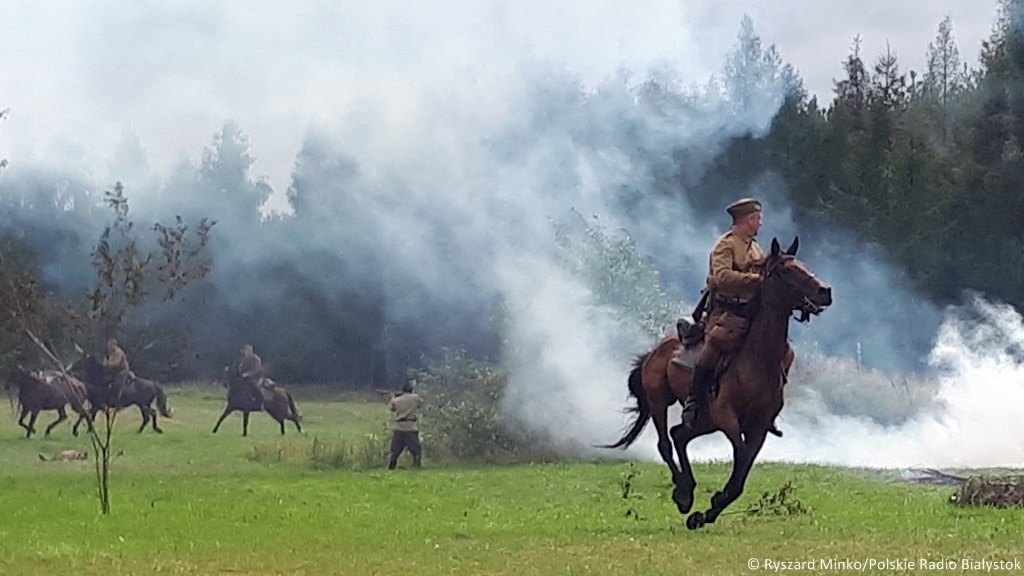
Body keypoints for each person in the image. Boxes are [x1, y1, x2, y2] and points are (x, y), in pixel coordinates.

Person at [673, 198, 775, 432]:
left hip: (748, 312)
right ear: (748, 220)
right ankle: (693, 401)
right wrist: (757, 280)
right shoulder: (725, 245)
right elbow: (722, 277)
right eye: (757, 218)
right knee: (713, 348)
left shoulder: (755, 247)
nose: (761, 223)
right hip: (724, 312)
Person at [388, 380, 424, 470]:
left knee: (395, 452)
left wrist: (393, 397)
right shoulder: (415, 398)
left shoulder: (396, 400)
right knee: (416, 451)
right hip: (411, 428)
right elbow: (421, 403)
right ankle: (416, 466)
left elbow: (391, 408)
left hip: (399, 428)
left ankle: (391, 467)